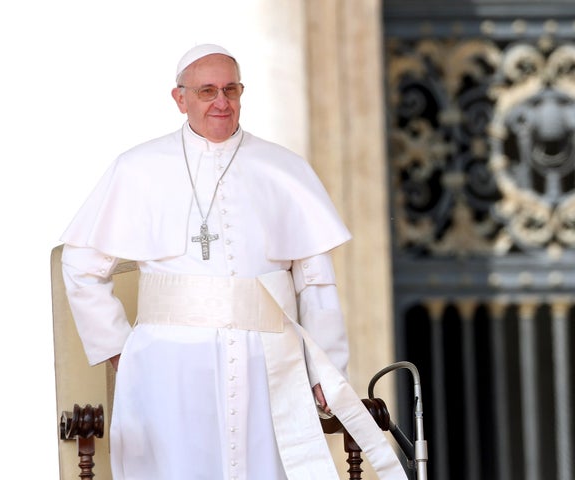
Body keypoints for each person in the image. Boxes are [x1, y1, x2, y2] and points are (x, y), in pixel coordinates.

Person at [60, 44, 406, 479]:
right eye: (207, 91)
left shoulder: (284, 168)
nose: (221, 101)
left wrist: (325, 368)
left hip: (269, 361)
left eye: (231, 89)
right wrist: (118, 349)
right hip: (170, 365)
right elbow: (80, 263)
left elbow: (315, 281)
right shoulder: (138, 168)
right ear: (180, 98)